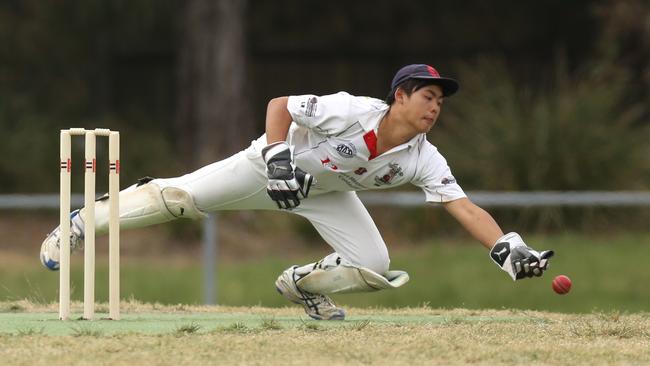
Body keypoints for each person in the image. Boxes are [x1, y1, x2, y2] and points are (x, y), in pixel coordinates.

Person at [40, 64, 554, 320]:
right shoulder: (353, 110)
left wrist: (505, 247)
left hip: (324, 192)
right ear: (399, 96)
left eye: (440, 100)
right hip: (270, 166)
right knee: (179, 200)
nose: (435, 107)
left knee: (374, 264)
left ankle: (300, 285)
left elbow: (461, 206)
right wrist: (277, 154)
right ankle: (81, 222)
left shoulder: (424, 157)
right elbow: (281, 103)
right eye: (427, 96)